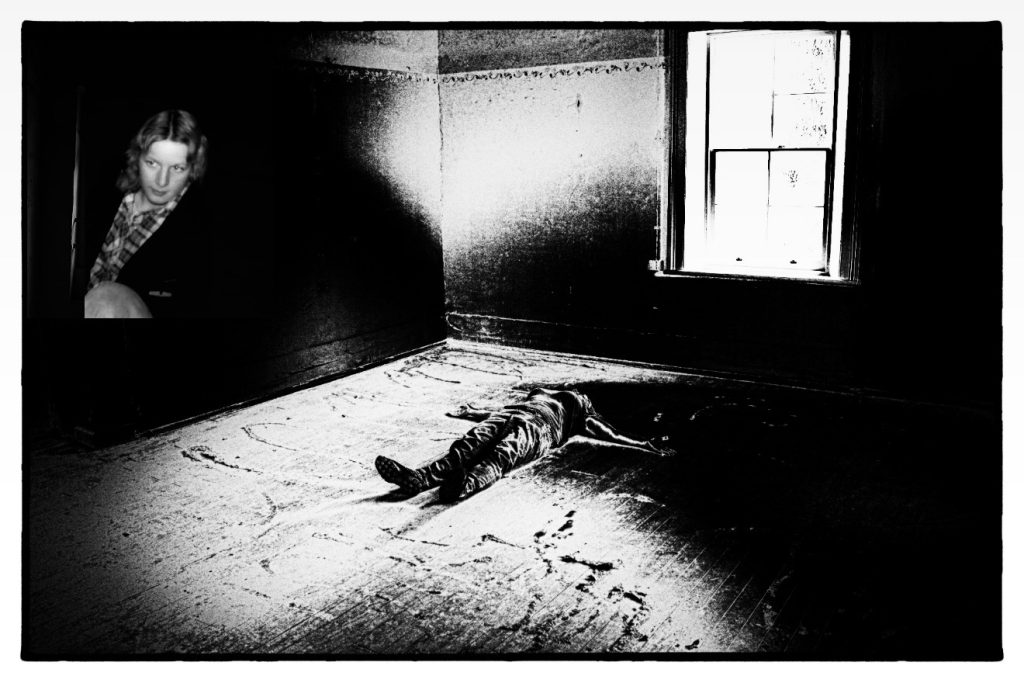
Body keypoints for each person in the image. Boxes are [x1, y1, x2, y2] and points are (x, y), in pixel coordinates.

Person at [375, 387, 676, 502]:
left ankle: (460, 486)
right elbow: (497, 410)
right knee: (466, 446)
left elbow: (605, 431)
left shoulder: (580, 408)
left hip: (540, 428)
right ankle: (419, 479)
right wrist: (472, 412)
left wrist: (641, 444)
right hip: (509, 414)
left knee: (499, 457)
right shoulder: (543, 392)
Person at [85, 109, 210, 318]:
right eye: (152, 163)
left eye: (177, 168)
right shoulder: (101, 193)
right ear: (137, 157)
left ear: (193, 169)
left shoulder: (200, 232)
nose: (162, 181)